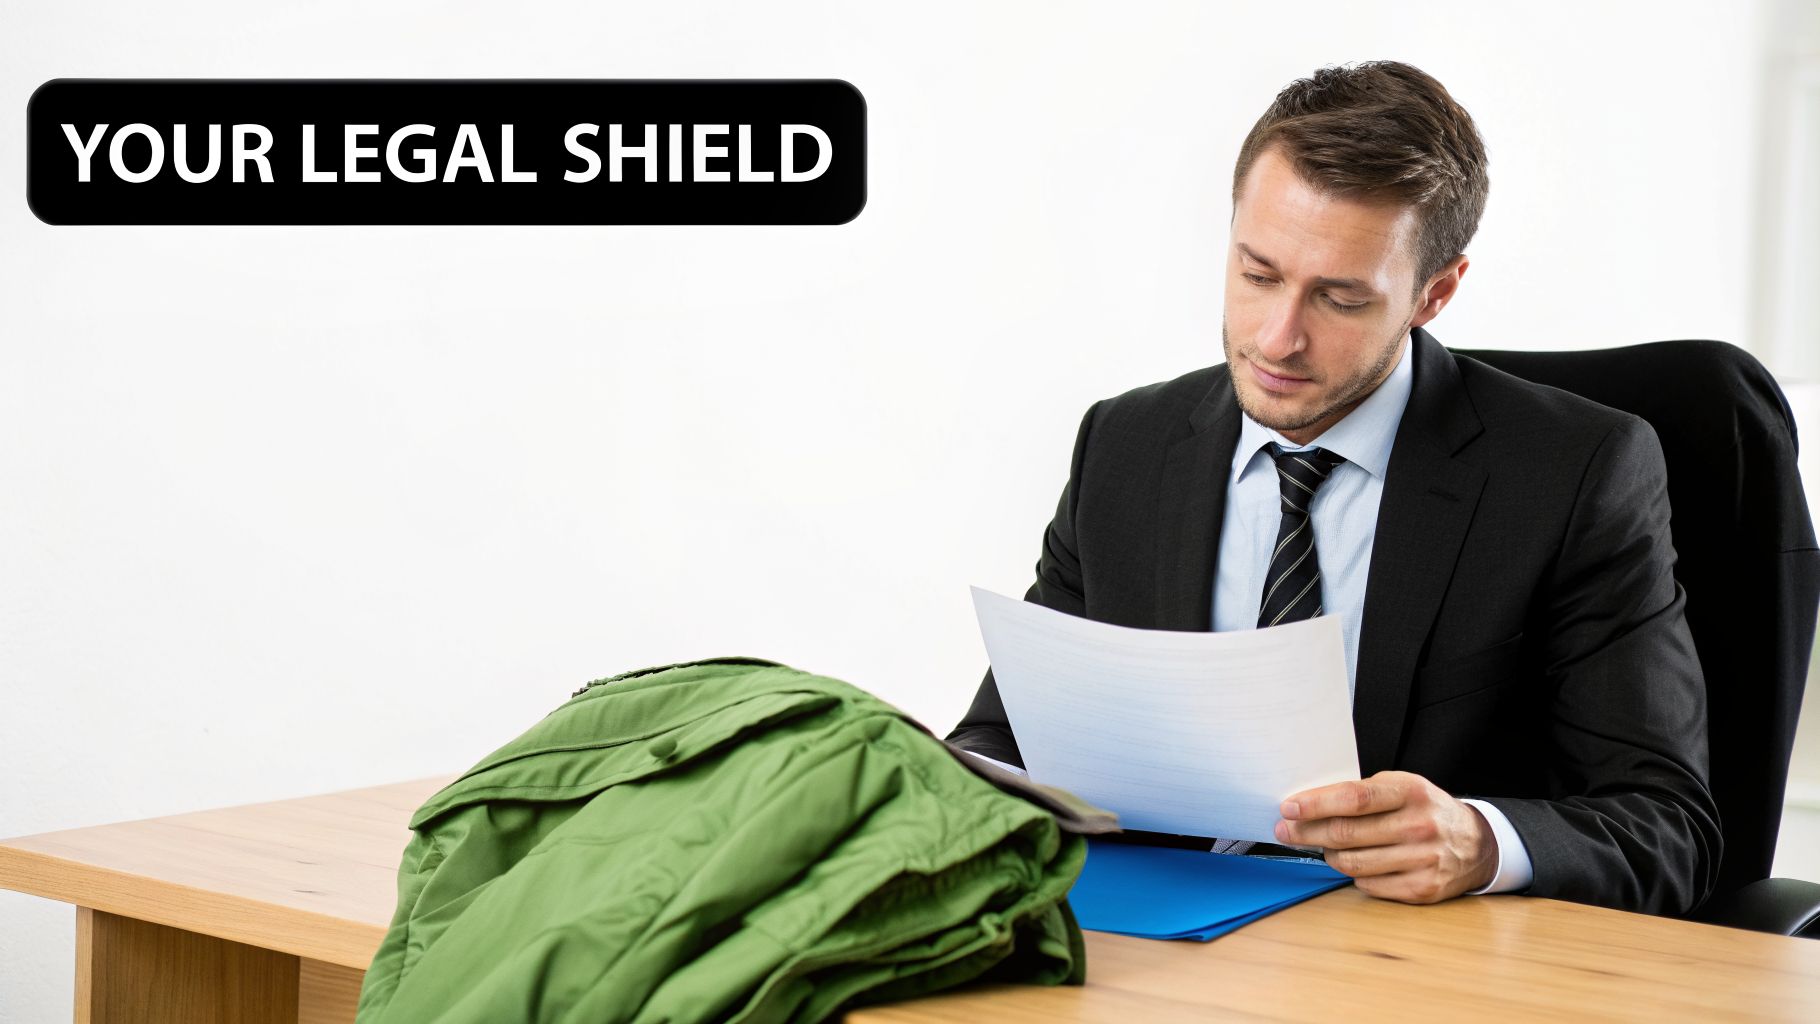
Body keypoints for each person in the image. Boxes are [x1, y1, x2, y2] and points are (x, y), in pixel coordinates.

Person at [945, 61, 1721, 916]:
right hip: (1146, 948)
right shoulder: (1125, 447)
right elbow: (1004, 738)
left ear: (1435, 292)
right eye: (1258, 274)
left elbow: (1670, 826)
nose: (1278, 339)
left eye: (1341, 299)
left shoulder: (1575, 474)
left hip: (1403, 962)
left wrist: (1481, 840)